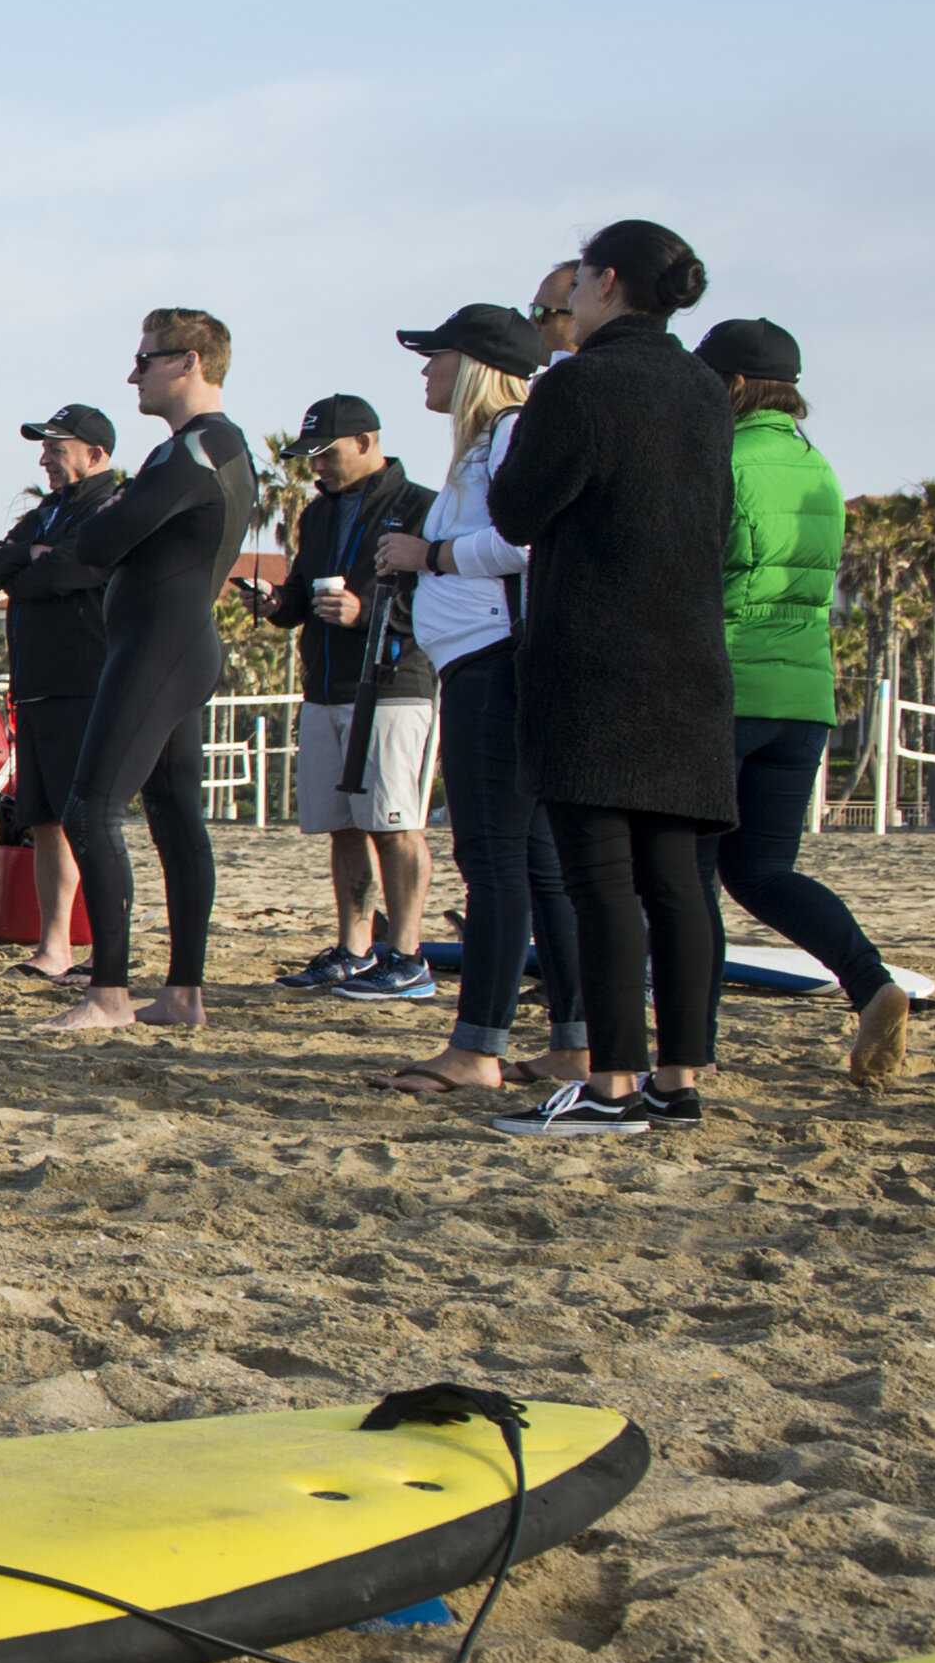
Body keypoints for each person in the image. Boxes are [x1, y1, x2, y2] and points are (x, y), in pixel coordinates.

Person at [480, 219, 738, 1138]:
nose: (569, 295)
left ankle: (611, 1084)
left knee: (599, 881)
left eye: (579, 278)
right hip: (689, 659)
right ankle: (677, 1077)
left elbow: (514, 511)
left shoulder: (580, 383)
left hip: (595, 658)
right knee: (673, 880)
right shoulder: (703, 387)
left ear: (606, 281)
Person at [366, 298, 591, 1100]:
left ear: (476, 367)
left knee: (493, 859)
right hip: (484, 661)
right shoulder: (487, 444)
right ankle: (572, 1041)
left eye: (439, 356)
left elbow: (528, 544)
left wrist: (429, 554)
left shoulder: (505, 435)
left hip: (495, 663)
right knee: (535, 863)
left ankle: (478, 1046)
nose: (426, 370)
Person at [35, 308, 260, 1038]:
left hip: (159, 645)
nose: (133, 373)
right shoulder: (201, 449)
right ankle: (183, 992)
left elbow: (98, 538)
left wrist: (114, 517)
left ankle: (108, 993)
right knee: (171, 813)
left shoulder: (199, 448)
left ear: (189, 361)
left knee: (89, 808)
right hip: (171, 642)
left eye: (145, 359)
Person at [700, 317, 908, 1087]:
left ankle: (692, 1041)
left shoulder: (721, 457)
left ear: (730, 386)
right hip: (804, 693)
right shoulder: (817, 466)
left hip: (725, 683)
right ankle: (867, 981)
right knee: (761, 870)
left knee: (688, 872)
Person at [263, 390, 440, 999]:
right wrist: (278, 605)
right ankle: (353, 949)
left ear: (366, 442)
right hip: (325, 686)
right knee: (341, 825)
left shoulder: (423, 508)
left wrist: (369, 614)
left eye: (325, 453)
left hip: (395, 686)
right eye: (308, 455)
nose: (316, 466)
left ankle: (409, 955)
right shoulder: (315, 514)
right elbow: (299, 593)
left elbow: (447, 600)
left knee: (395, 824)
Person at [0, 405, 123, 975]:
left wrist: (30, 569)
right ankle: (54, 946)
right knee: (45, 819)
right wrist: (25, 559)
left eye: (56, 450)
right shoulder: (44, 515)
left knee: (88, 818)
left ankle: (108, 950)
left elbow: (68, 572)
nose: (44, 460)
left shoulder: (113, 507)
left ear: (95, 455)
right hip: (34, 688)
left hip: (86, 683)